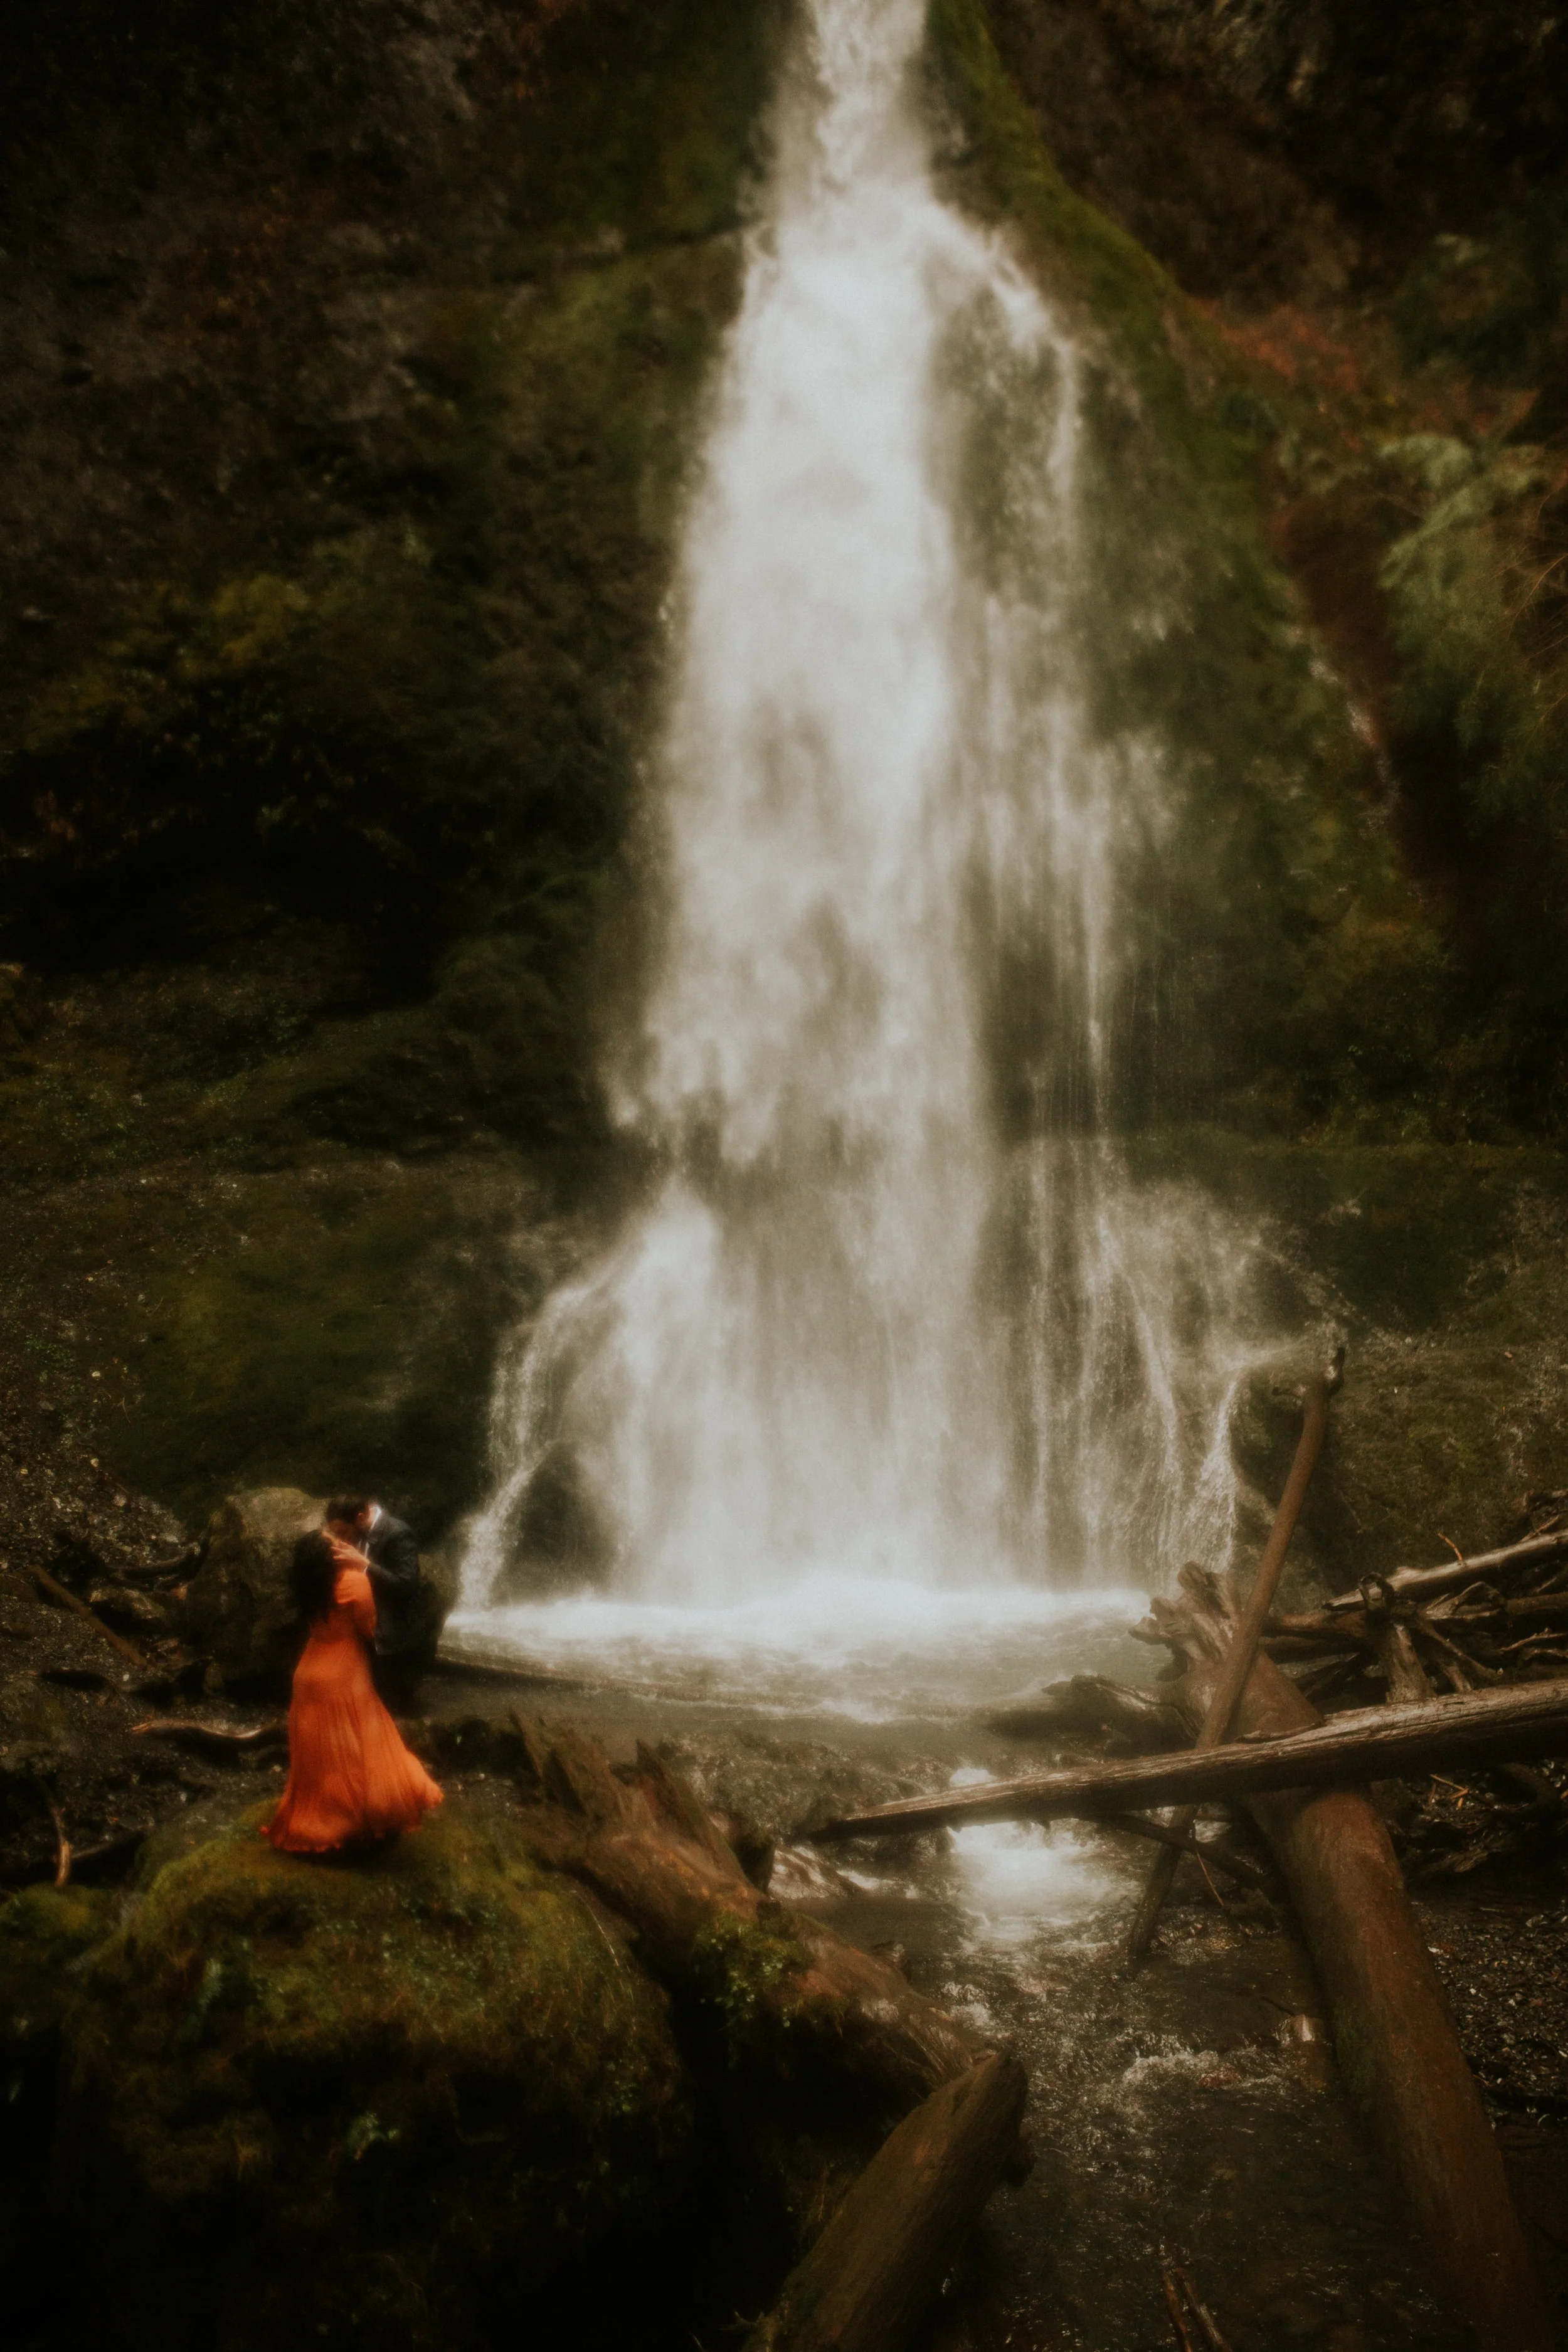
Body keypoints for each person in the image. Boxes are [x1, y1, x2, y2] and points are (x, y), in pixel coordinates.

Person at [263, 1528, 442, 1855]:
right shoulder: (353, 1582)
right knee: (362, 1747)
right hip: (344, 1674)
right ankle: (359, 1820)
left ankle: (317, 1819)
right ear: (331, 1556)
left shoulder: (307, 1584)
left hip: (309, 1673)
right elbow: (368, 1626)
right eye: (334, 1542)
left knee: (321, 1758)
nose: (340, 1541)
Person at [327, 1493, 425, 1714]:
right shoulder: (359, 1532)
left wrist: (364, 1564)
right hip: (368, 1629)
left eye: (343, 1532)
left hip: (395, 1637)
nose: (340, 1538)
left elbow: (406, 1586)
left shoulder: (398, 1533)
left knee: (393, 1709)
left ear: (361, 1518)